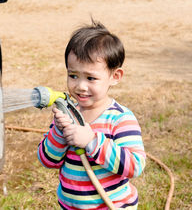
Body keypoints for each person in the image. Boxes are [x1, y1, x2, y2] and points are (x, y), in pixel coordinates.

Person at [37, 20, 146, 209]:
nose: (80, 86)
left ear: (115, 77)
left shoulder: (120, 119)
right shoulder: (69, 113)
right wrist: (59, 132)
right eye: (73, 76)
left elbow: (134, 165)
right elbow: (47, 160)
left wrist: (92, 142)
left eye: (91, 78)